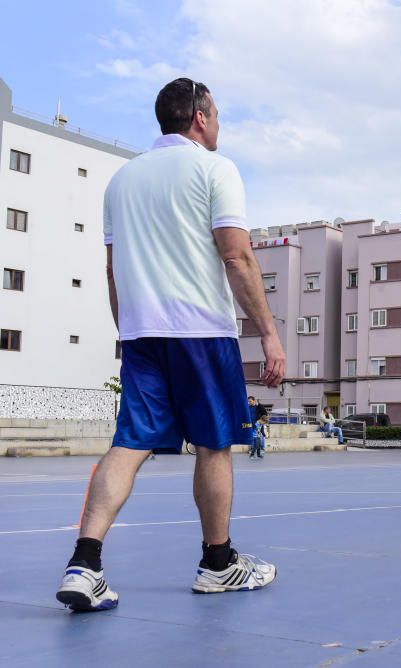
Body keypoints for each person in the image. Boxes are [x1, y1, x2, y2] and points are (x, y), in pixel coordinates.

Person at [56, 78, 287, 612]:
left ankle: (84, 563)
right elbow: (237, 257)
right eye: (218, 115)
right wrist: (269, 333)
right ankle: (218, 563)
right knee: (213, 444)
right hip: (201, 330)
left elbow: (113, 270)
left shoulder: (121, 181)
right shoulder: (215, 169)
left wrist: (127, 330)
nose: (220, 125)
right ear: (201, 117)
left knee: (129, 444)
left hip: (141, 333)